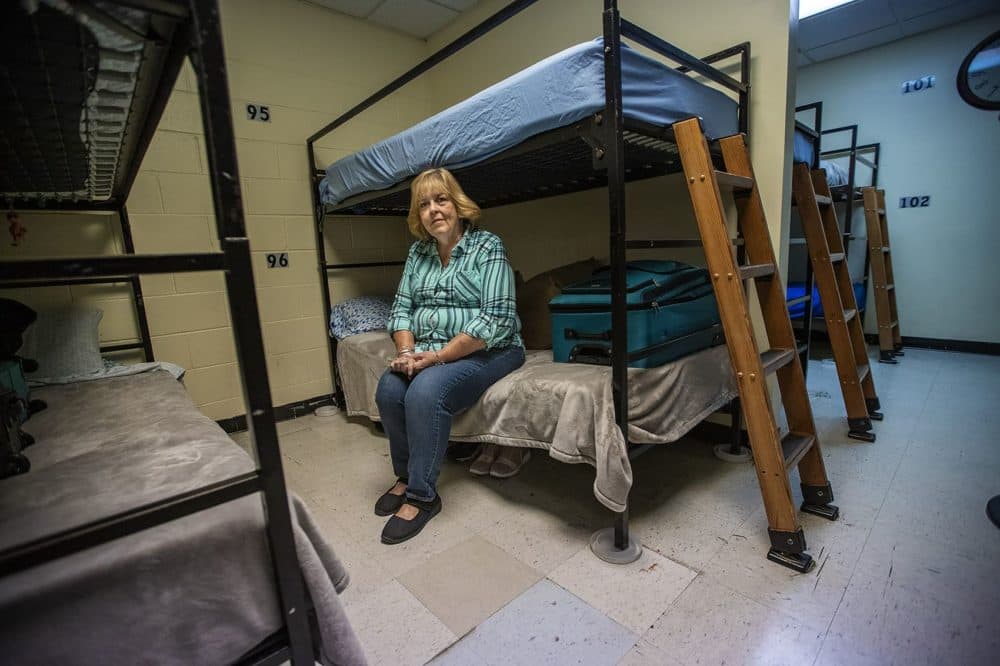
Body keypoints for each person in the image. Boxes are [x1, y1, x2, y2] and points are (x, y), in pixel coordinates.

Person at [374, 167, 527, 545]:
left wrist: (439, 357)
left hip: (494, 348)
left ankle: (423, 496)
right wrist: (407, 352)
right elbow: (401, 310)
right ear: (418, 215)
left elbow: (495, 318)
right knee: (389, 390)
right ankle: (407, 475)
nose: (434, 210)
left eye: (441, 200)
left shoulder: (487, 246)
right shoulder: (418, 252)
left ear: (457, 205)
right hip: (428, 348)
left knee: (426, 392)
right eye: (424, 204)